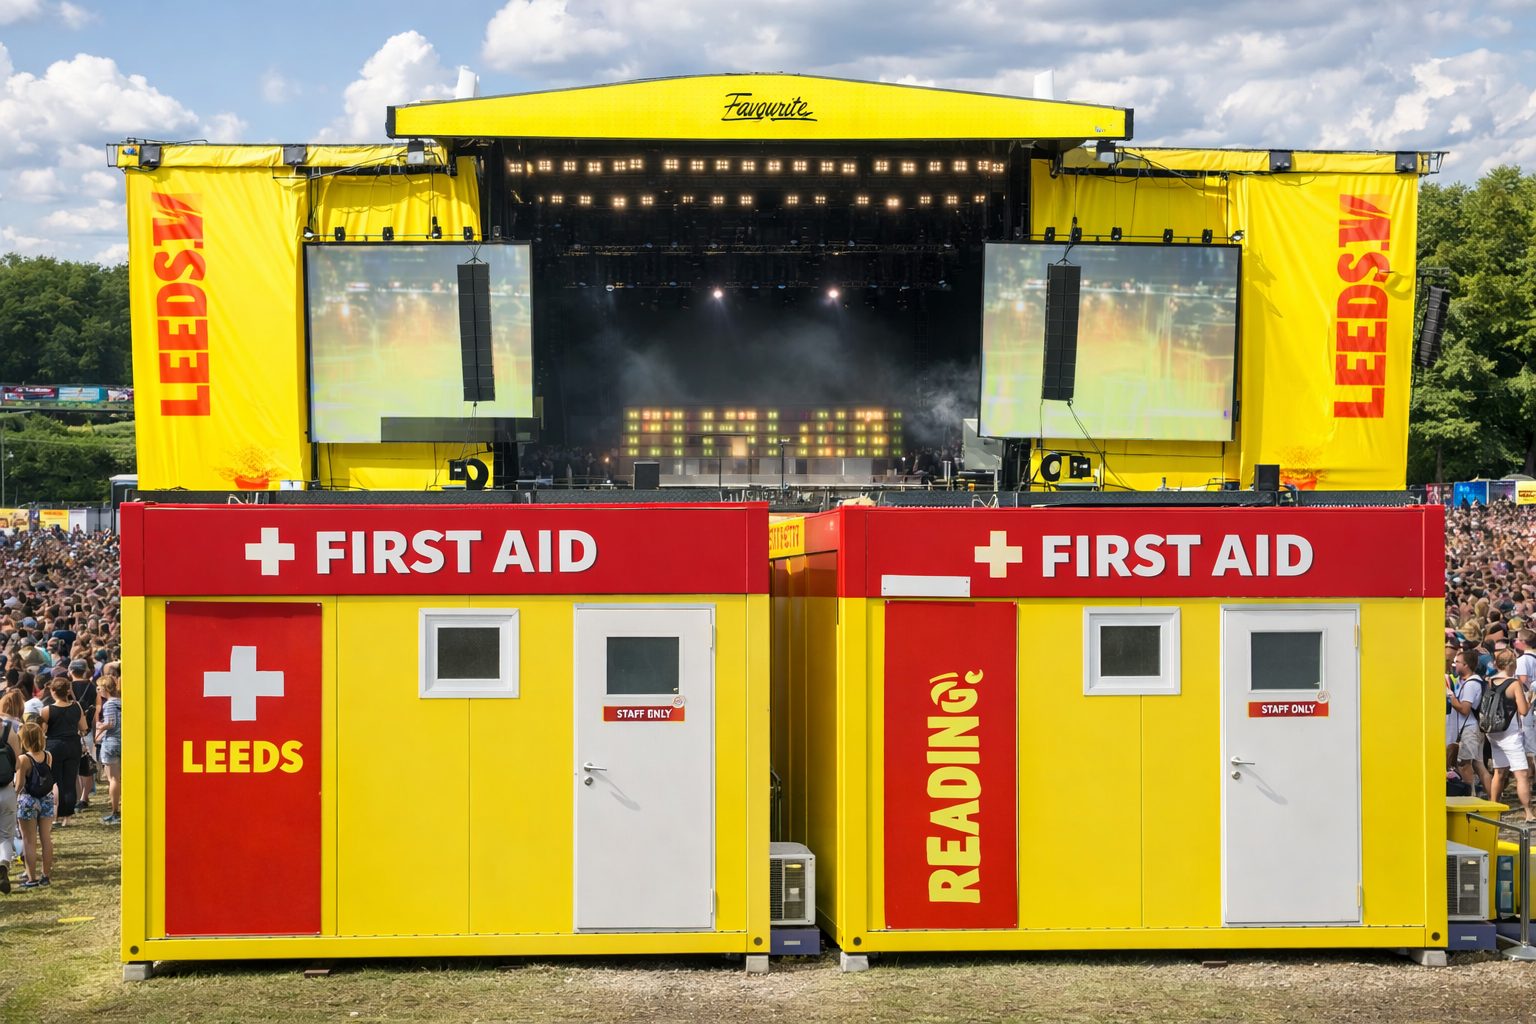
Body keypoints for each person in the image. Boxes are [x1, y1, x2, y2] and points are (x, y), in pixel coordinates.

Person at [1480, 648, 1536, 823]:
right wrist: (1530, 699)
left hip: (1492, 732)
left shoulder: (1490, 680)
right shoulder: (1513, 684)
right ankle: (1528, 812)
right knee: (1521, 775)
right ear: (1513, 664)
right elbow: (1523, 711)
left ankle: (1493, 805)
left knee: (1499, 771)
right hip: (1509, 734)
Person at [38, 677, 85, 828]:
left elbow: (42, 730)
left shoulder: (47, 710)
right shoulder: (77, 706)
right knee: (70, 780)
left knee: (55, 781)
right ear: (68, 691)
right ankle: (68, 817)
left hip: (54, 746)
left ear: (53, 691)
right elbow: (83, 727)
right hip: (73, 744)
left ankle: (55, 816)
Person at [14, 721, 53, 888]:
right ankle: (46, 875)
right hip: (46, 799)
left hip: (28, 800)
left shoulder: (24, 759)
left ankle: (31, 878)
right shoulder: (48, 755)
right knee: (46, 839)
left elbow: (20, 785)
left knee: (29, 841)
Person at [1447, 650, 1484, 794]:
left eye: (1457, 662)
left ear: (1466, 665)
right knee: (1479, 766)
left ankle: (1470, 795)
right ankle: (1492, 798)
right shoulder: (1472, 681)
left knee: (1465, 765)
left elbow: (1464, 709)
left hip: (1470, 730)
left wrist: (1451, 696)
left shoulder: (1470, 684)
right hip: (1473, 729)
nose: (1455, 665)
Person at [0, 690, 19, 894]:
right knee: (6, 834)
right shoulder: (8, 729)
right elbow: (18, 760)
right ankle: (3, 862)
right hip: (6, 787)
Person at [96, 676, 121, 825]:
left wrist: (100, 726)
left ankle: (114, 810)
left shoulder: (109, 704)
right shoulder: (121, 702)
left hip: (111, 742)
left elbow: (111, 723)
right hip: (122, 741)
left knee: (113, 779)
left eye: (99, 688)